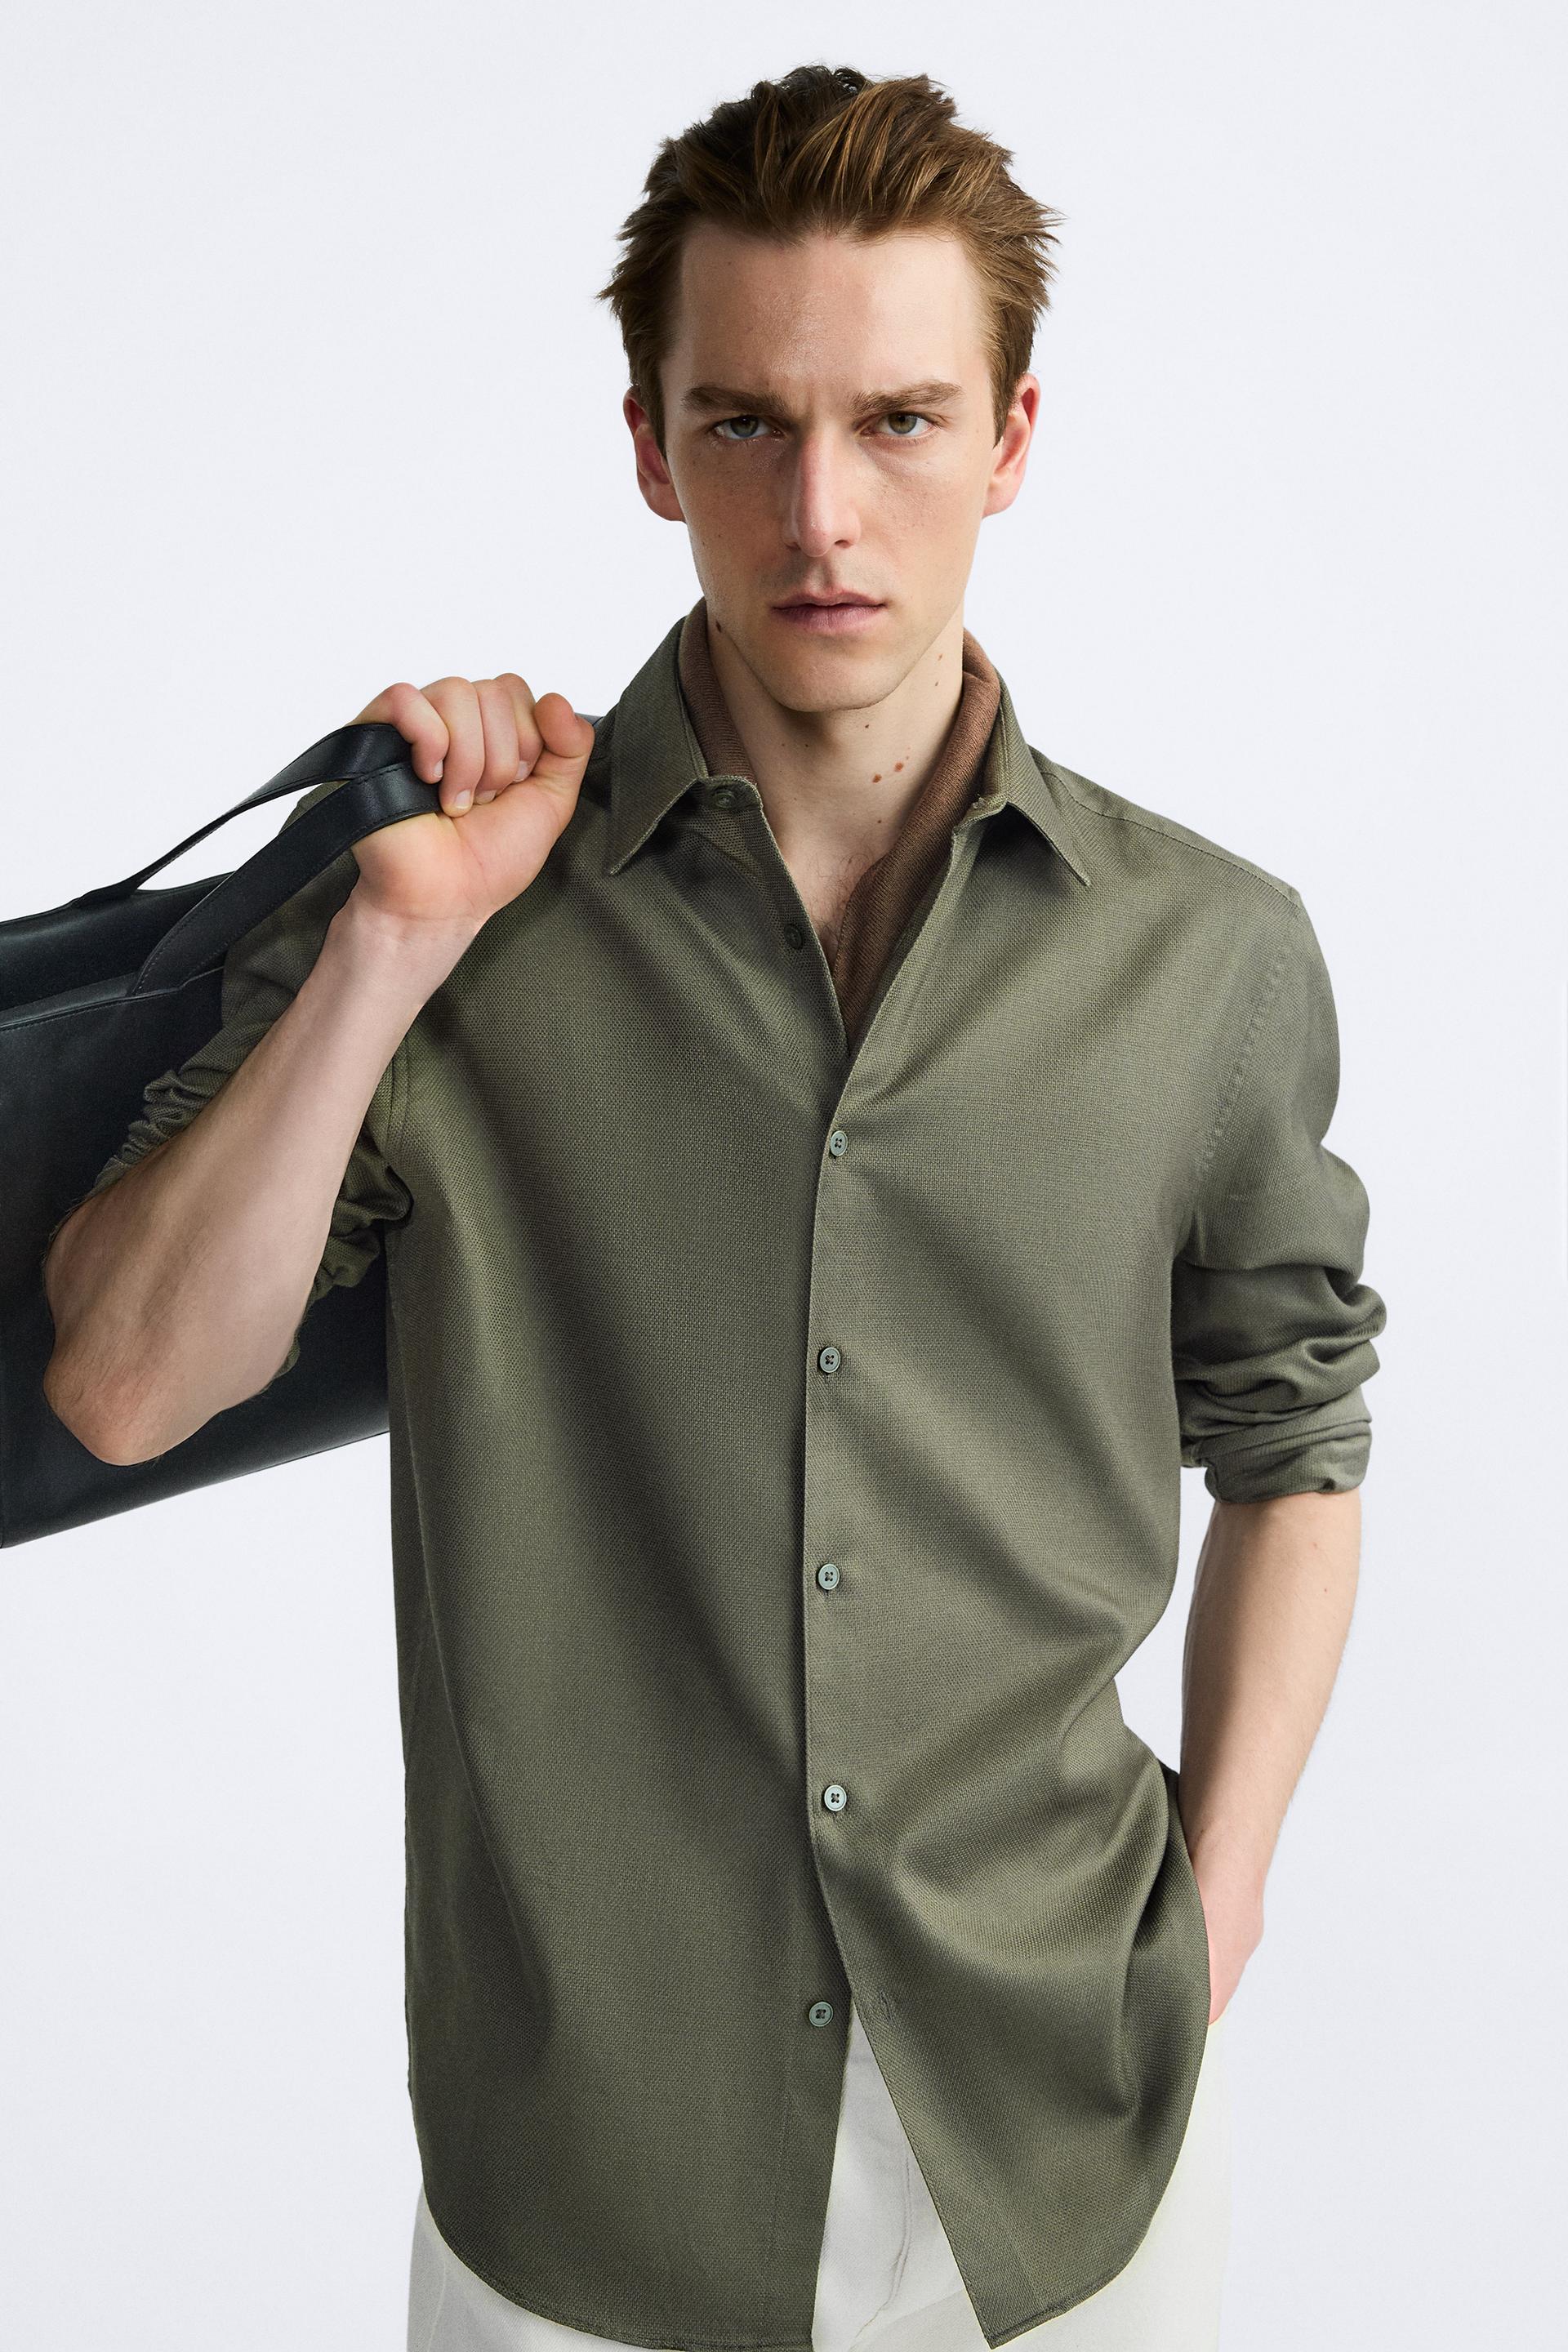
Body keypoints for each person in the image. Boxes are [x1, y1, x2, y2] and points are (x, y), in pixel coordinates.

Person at [40, 61, 1386, 2352]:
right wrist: (386, 949)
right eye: (747, 424)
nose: (822, 514)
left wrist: (1225, 1896)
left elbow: (1294, 1446)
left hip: (1075, 2138)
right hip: (588, 2173)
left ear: (1013, 440)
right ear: (652, 450)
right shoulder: (454, 910)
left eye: (900, 421)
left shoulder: (1211, 959)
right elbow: (127, 1385)